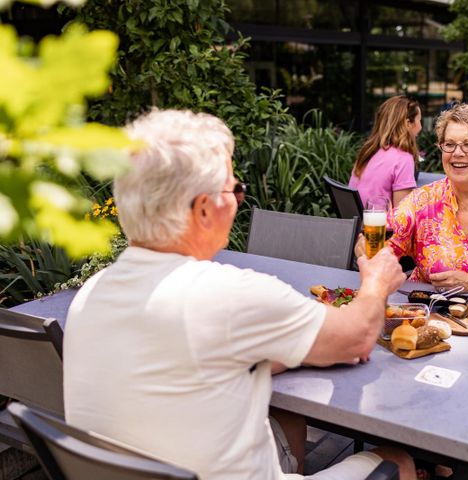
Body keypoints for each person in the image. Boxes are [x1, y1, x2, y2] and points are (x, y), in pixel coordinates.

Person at [63, 109, 416, 479]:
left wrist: (280, 352)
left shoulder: (91, 292)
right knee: (399, 461)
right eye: (235, 190)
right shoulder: (229, 293)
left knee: (282, 420)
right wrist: (376, 283)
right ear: (203, 209)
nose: (239, 201)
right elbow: (358, 337)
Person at [356, 103, 468, 292]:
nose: (457, 153)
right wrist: (366, 248)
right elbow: (378, 244)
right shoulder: (423, 201)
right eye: (449, 144)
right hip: (426, 315)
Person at [349, 95, 422, 207]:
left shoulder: (368, 152)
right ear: (408, 124)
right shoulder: (403, 159)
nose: (420, 127)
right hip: (379, 224)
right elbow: (401, 216)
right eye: (419, 120)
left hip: (357, 222)